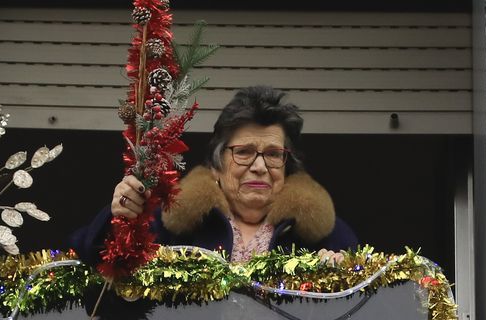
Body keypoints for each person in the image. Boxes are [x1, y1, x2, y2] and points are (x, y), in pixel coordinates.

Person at [71, 85, 358, 264]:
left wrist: (340, 271)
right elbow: (93, 254)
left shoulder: (323, 231)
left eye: (272, 154)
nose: (259, 166)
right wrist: (121, 216)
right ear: (216, 165)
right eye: (244, 152)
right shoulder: (176, 220)